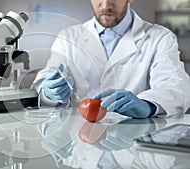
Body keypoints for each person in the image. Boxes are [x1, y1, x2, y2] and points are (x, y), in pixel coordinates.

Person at [32, 0, 190, 118]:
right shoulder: (68, 37)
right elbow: (49, 75)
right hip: (82, 147)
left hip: (134, 147)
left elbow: (175, 86)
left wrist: (148, 105)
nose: (106, 5)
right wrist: (49, 92)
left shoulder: (160, 38)